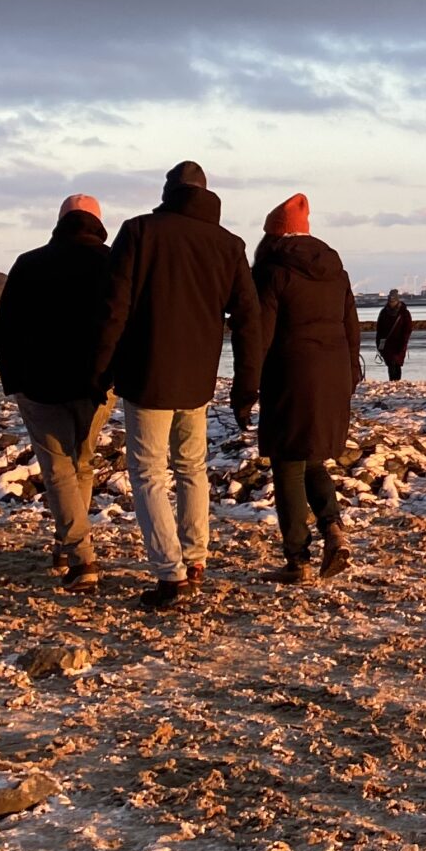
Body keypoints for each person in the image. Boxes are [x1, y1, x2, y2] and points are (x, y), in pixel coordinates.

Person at [93, 161, 262, 613]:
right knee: (192, 468)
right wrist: (246, 388)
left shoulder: (139, 232)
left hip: (147, 375)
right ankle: (195, 558)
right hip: (198, 379)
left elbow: (115, 309)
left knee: (148, 472)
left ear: (169, 191)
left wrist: (100, 371)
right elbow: (249, 321)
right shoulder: (228, 245)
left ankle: (171, 573)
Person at [0, 195, 116, 592]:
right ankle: (70, 543)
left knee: (60, 467)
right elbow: (125, 321)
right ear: (98, 223)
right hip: (97, 384)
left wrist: (14, 380)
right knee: (81, 461)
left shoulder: (30, 263)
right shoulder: (114, 264)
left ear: (60, 221)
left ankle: (81, 556)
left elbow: (5, 325)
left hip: (39, 381)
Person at [239, 193, 361, 584]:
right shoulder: (335, 270)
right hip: (333, 374)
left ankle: (298, 559)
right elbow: (351, 327)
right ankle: (334, 532)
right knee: (312, 459)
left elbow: (261, 337)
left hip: (291, 375)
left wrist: (246, 388)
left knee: (288, 464)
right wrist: (350, 376)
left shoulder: (274, 272)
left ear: (273, 237)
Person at [374, 289, 413, 381]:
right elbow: (379, 329)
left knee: (397, 363)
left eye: (393, 300)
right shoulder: (384, 312)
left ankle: (396, 382)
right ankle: (393, 381)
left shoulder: (404, 313)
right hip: (387, 342)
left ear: (397, 300)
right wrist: (379, 343)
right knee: (391, 363)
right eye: (390, 300)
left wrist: (404, 342)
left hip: (399, 342)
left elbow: (407, 329)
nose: (391, 302)